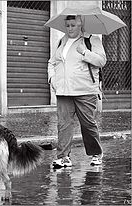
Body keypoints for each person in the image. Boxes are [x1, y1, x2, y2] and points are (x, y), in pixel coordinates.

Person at [47, 15, 107, 168]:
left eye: (73, 25)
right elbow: (52, 62)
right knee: (63, 124)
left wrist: (85, 52)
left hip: (85, 90)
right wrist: (52, 79)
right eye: (67, 25)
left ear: (81, 25)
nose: (70, 28)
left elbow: (101, 61)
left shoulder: (91, 40)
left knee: (87, 124)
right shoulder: (61, 41)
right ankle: (63, 157)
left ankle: (96, 154)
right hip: (63, 90)